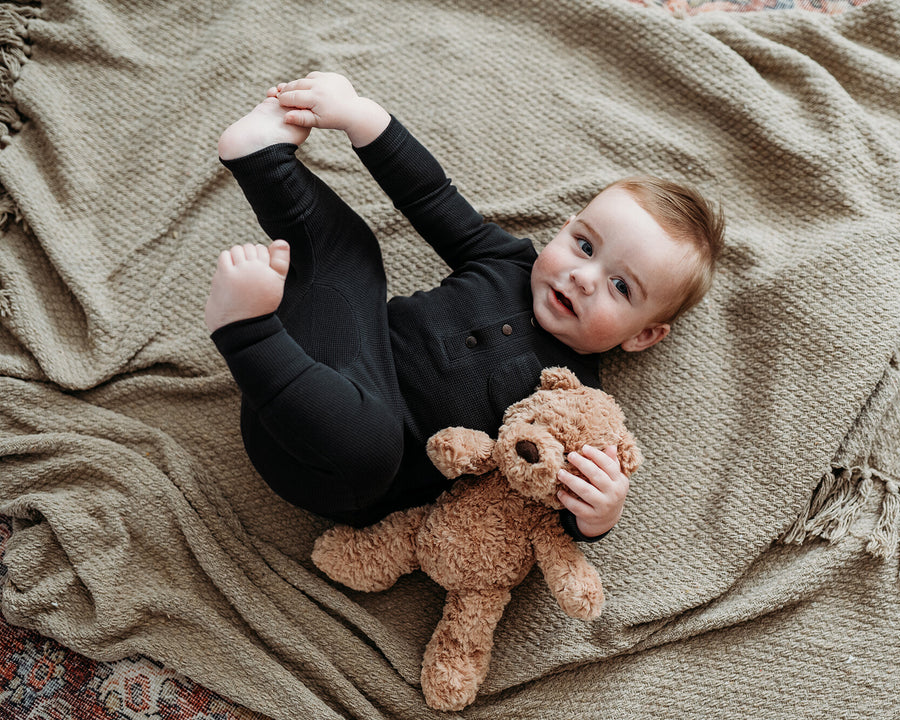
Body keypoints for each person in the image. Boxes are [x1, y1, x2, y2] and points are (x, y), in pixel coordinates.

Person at [205, 71, 724, 541]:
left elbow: (553, 489)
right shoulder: (507, 258)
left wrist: (597, 514)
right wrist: (362, 117)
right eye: (585, 246)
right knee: (355, 253)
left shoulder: (576, 399)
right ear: (566, 228)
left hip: (336, 467)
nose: (583, 278)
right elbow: (429, 196)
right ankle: (261, 159)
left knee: (374, 442)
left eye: (621, 288)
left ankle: (246, 331)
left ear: (643, 335)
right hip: (319, 364)